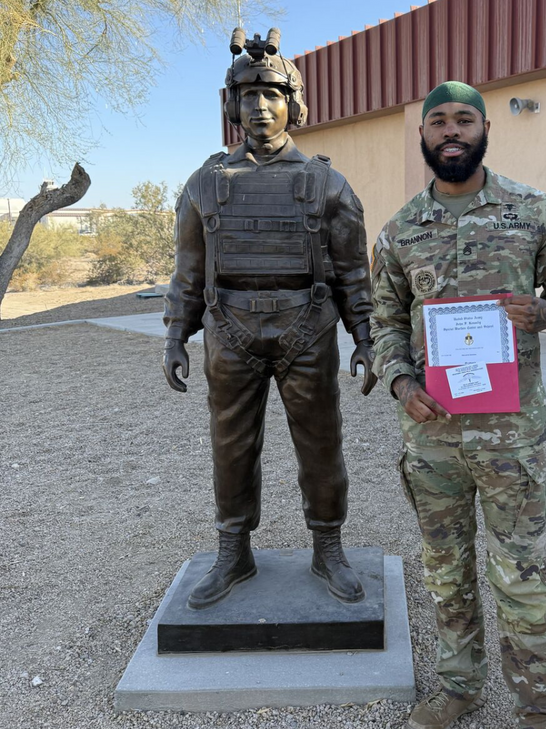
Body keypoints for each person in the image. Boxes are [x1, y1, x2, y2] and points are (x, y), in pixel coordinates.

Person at [370, 81, 546, 729]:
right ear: (425, 137)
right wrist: (403, 384)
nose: (451, 130)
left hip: (509, 440)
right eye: (439, 121)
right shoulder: (401, 231)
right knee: (444, 569)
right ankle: (459, 687)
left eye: (464, 118)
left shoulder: (534, 212)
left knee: (519, 578)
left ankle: (541, 719)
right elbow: (382, 324)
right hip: (431, 437)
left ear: (486, 128)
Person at [162, 29, 376, 609]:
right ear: (232, 106)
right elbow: (188, 269)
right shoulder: (204, 183)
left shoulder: (328, 184)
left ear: (293, 102)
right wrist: (177, 334)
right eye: (249, 96)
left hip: (306, 328)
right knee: (229, 445)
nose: (260, 106)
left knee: (322, 443)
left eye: (272, 94)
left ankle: (328, 547)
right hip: (228, 330)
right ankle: (234, 550)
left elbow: (355, 271)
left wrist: (364, 335)